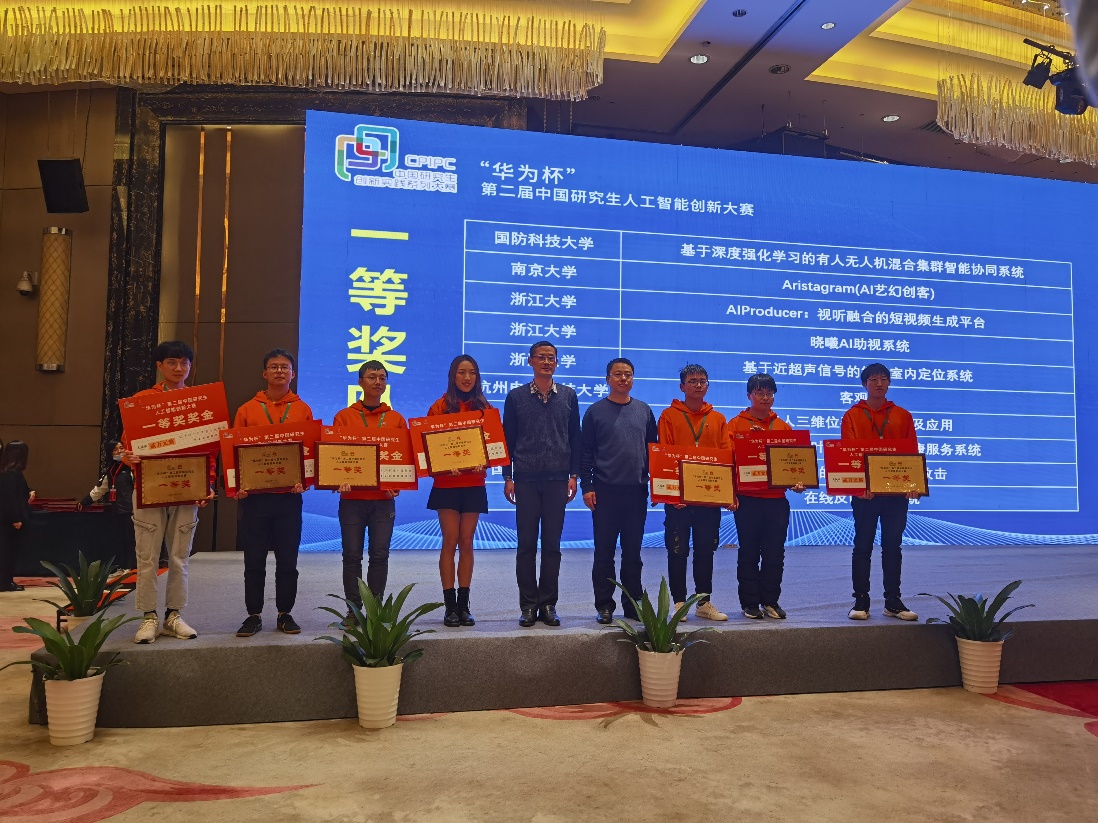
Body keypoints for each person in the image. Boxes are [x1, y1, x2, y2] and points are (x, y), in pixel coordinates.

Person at [122, 340, 214, 644]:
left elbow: (209, 449)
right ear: (159, 366)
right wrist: (127, 457)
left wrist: (207, 483)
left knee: (179, 556)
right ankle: (148, 617)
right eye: (172, 362)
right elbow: (126, 446)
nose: (179, 368)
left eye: (185, 362)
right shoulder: (142, 401)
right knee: (147, 556)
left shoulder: (198, 402)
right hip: (149, 488)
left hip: (187, 488)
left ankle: (174, 616)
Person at [232, 349, 314, 637]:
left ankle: (285, 613)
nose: (280, 371)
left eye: (285, 367)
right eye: (274, 367)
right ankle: (253, 614)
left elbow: (309, 451)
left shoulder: (303, 409)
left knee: (288, 560)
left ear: (293, 374)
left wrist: (305, 480)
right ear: (264, 373)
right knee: (253, 560)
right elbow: (234, 452)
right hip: (255, 499)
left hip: (289, 497)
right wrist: (238, 484)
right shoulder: (246, 410)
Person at [502, 341, 581, 628]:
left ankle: (548, 604)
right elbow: (507, 440)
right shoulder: (516, 396)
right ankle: (527, 605)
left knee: (552, 545)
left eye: (551, 358)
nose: (547, 362)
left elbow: (575, 438)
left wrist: (574, 475)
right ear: (530, 361)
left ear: (557, 363)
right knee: (525, 545)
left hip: (558, 480)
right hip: (525, 479)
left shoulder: (569, 395)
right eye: (541, 357)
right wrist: (508, 477)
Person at [581, 357, 658, 624]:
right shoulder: (595, 411)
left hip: (636, 492)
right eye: (617, 374)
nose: (623, 378)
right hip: (604, 492)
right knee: (604, 553)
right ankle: (604, 605)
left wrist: (659, 486)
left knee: (633, 553)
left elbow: (653, 451)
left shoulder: (644, 410)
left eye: (628, 374)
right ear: (608, 379)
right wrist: (587, 486)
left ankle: (632, 603)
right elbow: (586, 453)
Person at [841, 363, 920, 622]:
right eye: (873, 379)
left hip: (895, 494)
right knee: (862, 546)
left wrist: (913, 484)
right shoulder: (852, 416)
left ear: (889, 383)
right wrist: (858, 486)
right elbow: (849, 454)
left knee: (892, 546)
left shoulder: (902, 415)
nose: (879, 383)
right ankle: (861, 601)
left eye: (884, 379)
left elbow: (911, 452)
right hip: (866, 494)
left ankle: (893, 601)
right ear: (864, 384)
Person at [726, 374, 805, 620]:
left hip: (776, 501)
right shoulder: (734, 426)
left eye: (769, 393)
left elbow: (795, 464)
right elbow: (728, 463)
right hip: (747, 499)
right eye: (760, 393)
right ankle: (749, 603)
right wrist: (729, 493)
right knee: (748, 552)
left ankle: (770, 601)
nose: (765, 398)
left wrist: (798, 482)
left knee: (775, 554)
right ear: (749, 395)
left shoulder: (783, 428)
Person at [656, 364, 731, 621]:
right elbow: (664, 455)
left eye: (702, 381)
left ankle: (703, 601)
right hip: (679, 500)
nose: (698, 385)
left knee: (705, 551)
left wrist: (728, 494)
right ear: (682, 386)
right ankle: (679, 602)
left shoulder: (718, 419)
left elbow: (726, 457)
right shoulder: (668, 416)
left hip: (708, 498)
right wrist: (673, 494)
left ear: (707, 386)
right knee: (677, 550)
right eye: (692, 381)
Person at [332, 360, 406, 610]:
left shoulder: (396, 419)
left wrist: (397, 484)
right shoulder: (344, 417)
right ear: (360, 382)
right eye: (372, 377)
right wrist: (336, 480)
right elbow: (335, 457)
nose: (378, 382)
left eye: (383, 378)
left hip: (383, 500)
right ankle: (353, 610)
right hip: (351, 500)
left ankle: (375, 611)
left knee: (380, 556)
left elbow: (403, 458)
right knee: (351, 556)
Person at [427, 354, 491, 627]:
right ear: (453, 376)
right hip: (447, 485)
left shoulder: (485, 408)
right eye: (462, 372)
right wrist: (443, 465)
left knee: (466, 541)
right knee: (450, 540)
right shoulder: (439, 407)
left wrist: (484, 460)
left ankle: (464, 605)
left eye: (472, 372)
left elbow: (493, 447)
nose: (467, 377)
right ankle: (449, 606)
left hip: (474, 483)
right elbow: (428, 449)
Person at [77, 438, 136, 571]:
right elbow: (99, 489)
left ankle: (131, 568)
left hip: (132, 512)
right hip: (117, 511)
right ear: (110, 453)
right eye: (115, 449)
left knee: (131, 541)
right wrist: (84, 502)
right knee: (120, 541)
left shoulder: (132, 468)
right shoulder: (110, 471)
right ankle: (121, 568)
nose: (119, 451)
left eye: (121, 448)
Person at [0, 441, 33, 592]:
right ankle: (4, 582)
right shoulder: (11, 474)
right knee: (6, 552)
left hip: (6, 520)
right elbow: (10, 499)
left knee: (7, 552)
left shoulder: (8, 473)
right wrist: (16, 518)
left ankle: (7, 581)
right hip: (8, 521)